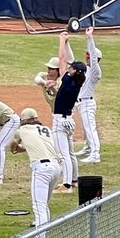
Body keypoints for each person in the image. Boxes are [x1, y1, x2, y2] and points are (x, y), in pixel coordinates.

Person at [9, 108, 61, 238]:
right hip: (56, 167)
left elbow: (12, 145)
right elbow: (39, 145)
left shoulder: (23, 129)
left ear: (24, 120)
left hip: (42, 169)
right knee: (44, 205)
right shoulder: (45, 129)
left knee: (39, 207)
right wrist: (24, 148)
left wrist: (16, 149)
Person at [52, 32, 85, 193]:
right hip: (69, 120)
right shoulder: (76, 82)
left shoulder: (67, 81)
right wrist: (66, 43)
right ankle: (73, 180)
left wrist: (61, 41)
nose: (69, 69)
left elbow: (63, 60)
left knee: (62, 153)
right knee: (70, 153)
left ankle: (66, 185)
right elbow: (68, 61)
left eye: (72, 68)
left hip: (60, 121)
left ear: (73, 72)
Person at [76, 27, 103, 163]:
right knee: (86, 128)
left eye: (89, 55)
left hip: (87, 103)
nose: (86, 56)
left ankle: (95, 154)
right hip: (81, 103)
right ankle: (87, 148)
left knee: (90, 128)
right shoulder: (86, 70)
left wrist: (90, 38)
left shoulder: (95, 71)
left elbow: (92, 55)